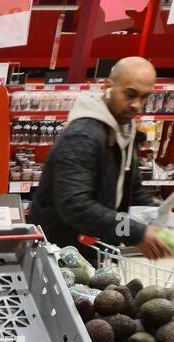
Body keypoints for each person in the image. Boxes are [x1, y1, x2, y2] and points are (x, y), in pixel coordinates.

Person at [30, 56, 167, 262]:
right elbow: (74, 204)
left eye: (145, 97)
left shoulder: (124, 129)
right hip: (61, 253)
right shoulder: (83, 135)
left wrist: (154, 221)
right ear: (108, 86)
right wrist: (135, 232)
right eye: (130, 94)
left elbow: (134, 189)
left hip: (94, 247)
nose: (137, 105)